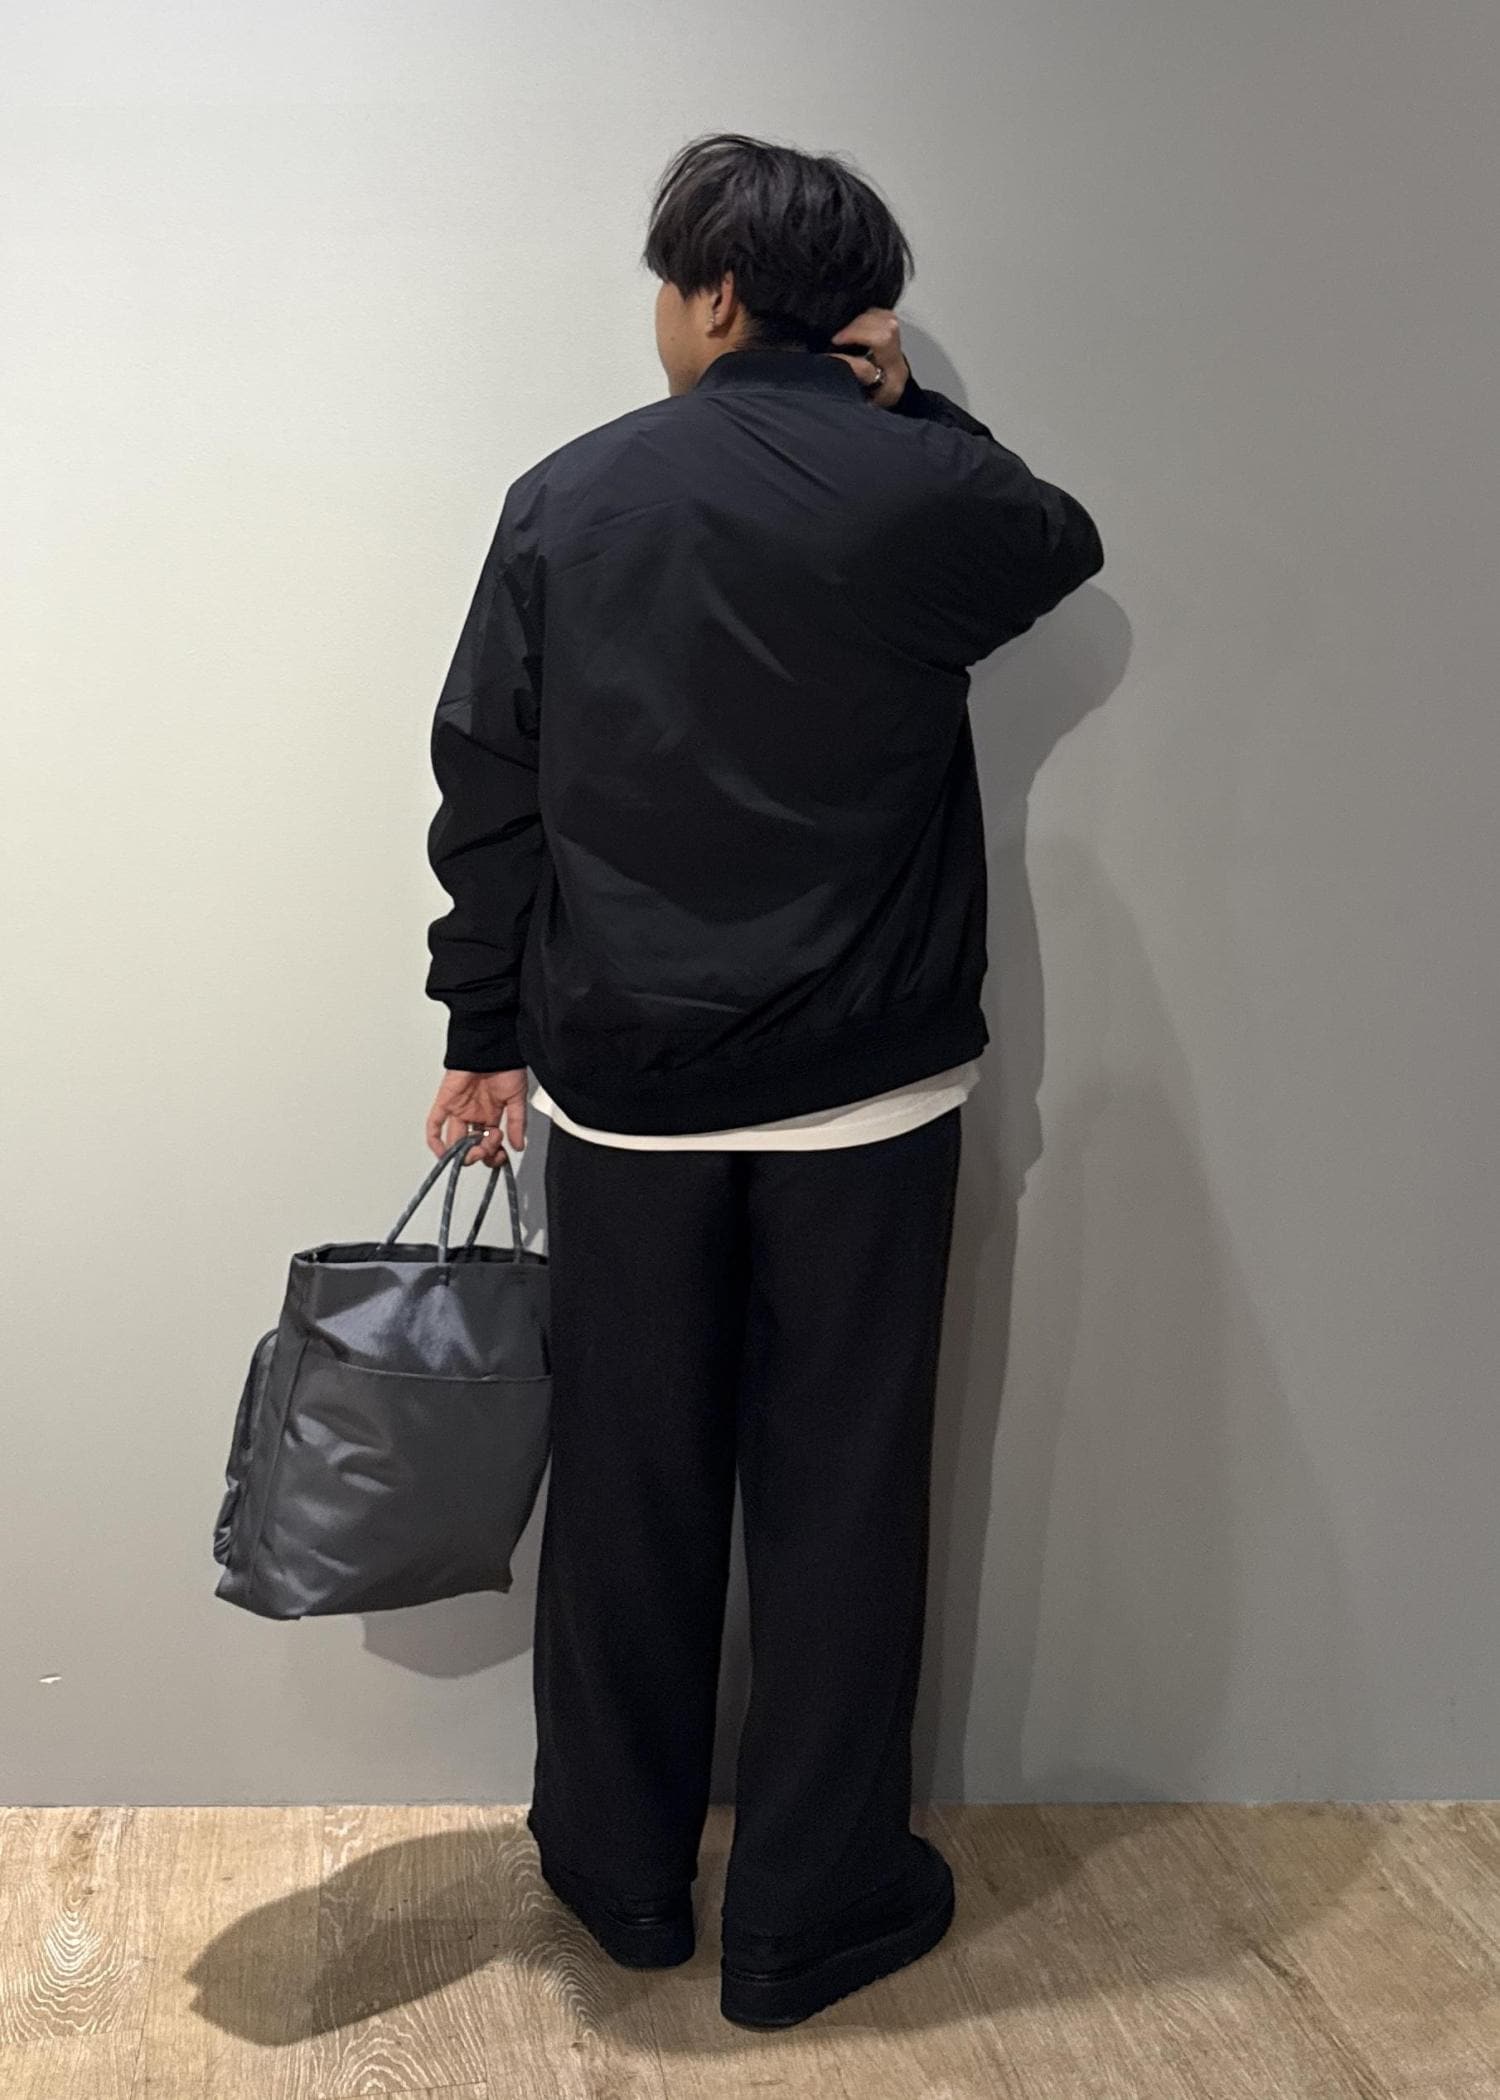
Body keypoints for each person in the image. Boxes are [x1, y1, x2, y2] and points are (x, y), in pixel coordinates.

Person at [420, 130, 1104, 2027]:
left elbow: (490, 780)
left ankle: (620, 1878)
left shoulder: (571, 498)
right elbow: (1058, 541)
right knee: (842, 1497)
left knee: (626, 1489)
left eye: (670, 286)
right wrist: (916, 406)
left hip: (627, 1091)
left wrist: (480, 1029)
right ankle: (813, 1914)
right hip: (867, 1096)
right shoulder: (923, 493)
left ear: (715, 293)